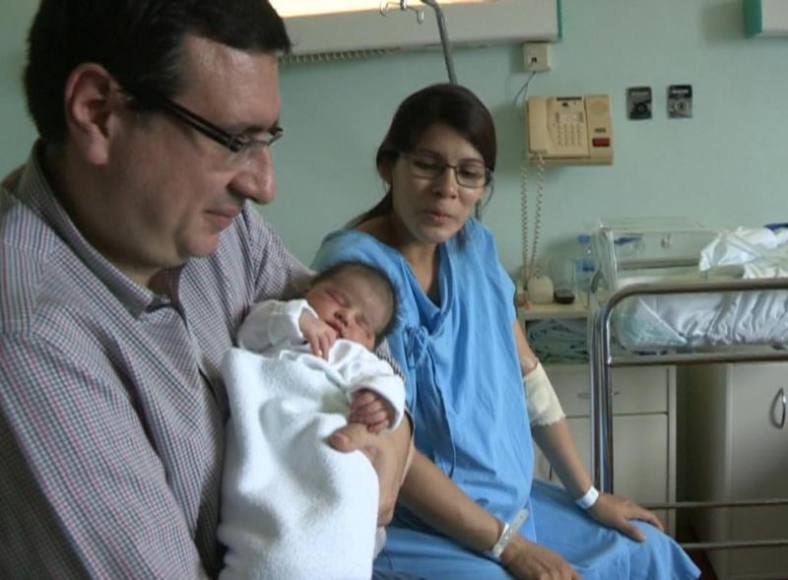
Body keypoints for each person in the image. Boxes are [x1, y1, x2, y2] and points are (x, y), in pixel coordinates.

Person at [0, 1, 411, 577]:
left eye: (267, 139)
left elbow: (360, 333)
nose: (264, 185)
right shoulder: (30, 338)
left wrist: (393, 440)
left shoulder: (219, 230)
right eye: (234, 140)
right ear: (98, 112)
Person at [312, 83, 701, 579]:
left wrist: (588, 494)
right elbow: (386, 440)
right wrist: (509, 549)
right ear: (390, 166)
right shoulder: (352, 278)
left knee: (646, 549)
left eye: (469, 174)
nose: (447, 189)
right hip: (415, 521)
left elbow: (527, 372)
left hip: (508, 500)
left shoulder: (473, 249)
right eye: (428, 165)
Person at [219, 261, 406, 579]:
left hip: (330, 449)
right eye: (338, 299)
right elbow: (249, 332)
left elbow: (390, 383)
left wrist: (378, 401)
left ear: (373, 344)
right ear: (308, 290)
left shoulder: (356, 357)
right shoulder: (280, 322)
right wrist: (298, 318)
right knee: (265, 533)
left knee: (340, 509)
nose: (345, 318)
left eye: (362, 323)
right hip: (270, 441)